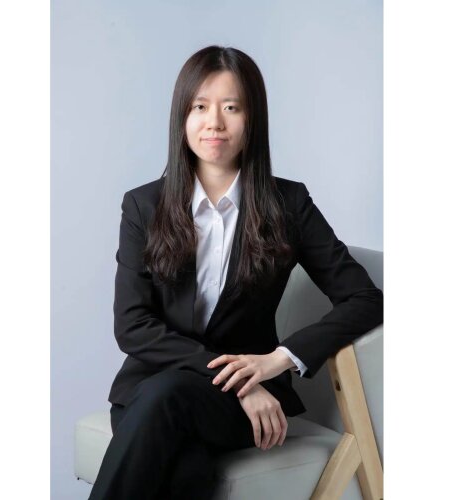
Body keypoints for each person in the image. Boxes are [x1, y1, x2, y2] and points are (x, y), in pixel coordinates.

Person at [88, 45, 383, 500]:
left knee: (168, 399)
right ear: (182, 118)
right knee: (186, 469)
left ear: (252, 119)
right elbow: (132, 326)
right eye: (199, 107)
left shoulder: (289, 205)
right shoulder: (143, 206)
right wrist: (239, 383)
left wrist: (276, 361)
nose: (214, 123)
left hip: (234, 406)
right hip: (153, 390)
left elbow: (365, 299)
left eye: (231, 108)